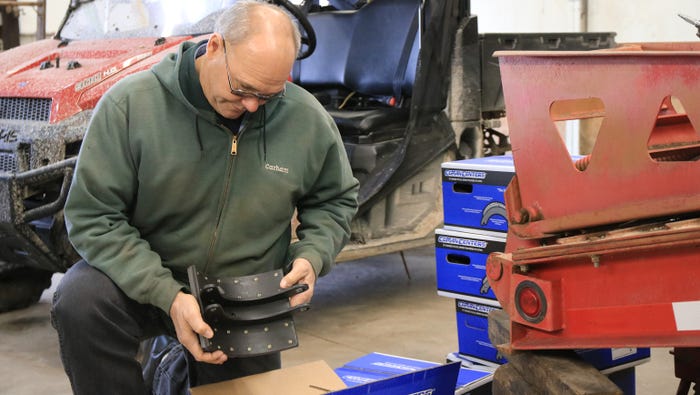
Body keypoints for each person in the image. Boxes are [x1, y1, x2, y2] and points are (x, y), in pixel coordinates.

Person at [50, 1, 359, 393]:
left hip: (242, 294)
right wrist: (168, 294)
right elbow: (93, 216)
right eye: (243, 89)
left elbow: (336, 200)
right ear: (215, 47)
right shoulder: (132, 106)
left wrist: (312, 256)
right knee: (81, 299)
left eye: (268, 95)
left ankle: (170, 374)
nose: (251, 106)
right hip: (145, 280)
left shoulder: (304, 118)